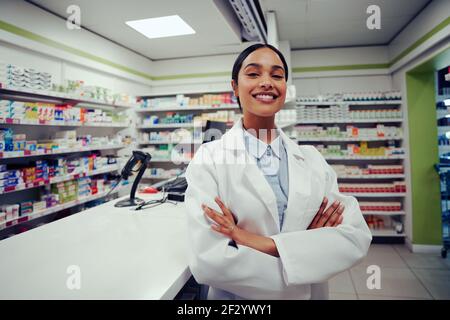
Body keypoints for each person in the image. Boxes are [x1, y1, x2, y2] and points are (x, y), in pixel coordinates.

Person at [184, 43, 372, 300]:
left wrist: (247, 238)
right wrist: (308, 255)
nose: (266, 82)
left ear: (285, 87)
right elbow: (210, 262)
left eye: (277, 75)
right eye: (253, 74)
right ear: (234, 87)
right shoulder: (210, 159)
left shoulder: (312, 159)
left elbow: (355, 238)